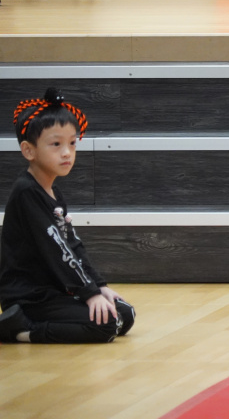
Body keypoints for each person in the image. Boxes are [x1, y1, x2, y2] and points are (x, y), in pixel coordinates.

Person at [0, 88, 135, 343]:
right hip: (30, 298)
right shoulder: (27, 193)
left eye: (72, 143)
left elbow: (73, 244)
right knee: (107, 325)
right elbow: (57, 249)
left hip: (55, 291)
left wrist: (99, 286)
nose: (67, 152)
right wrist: (89, 293)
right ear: (28, 150)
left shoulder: (52, 192)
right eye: (56, 144)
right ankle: (20, 330)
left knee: (124, 314)